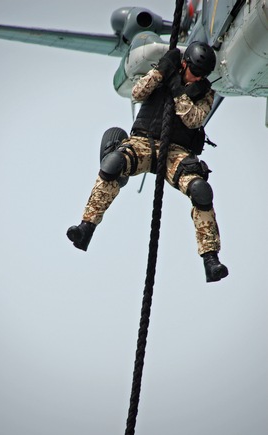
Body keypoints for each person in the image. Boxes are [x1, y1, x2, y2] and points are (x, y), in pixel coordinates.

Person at [66, 41, 229, 283]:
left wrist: (177, 90)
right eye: (194, 72)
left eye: (201, 75)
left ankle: (210, 260)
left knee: (200, 190)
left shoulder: (205, 94)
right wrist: (162, 71)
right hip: (143, 141)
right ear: (185, 64)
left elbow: (194, 120)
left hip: (175, 151)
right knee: (112, 164)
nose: (197, 79)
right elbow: (137, 93)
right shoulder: (164, 74)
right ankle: (86, 228)